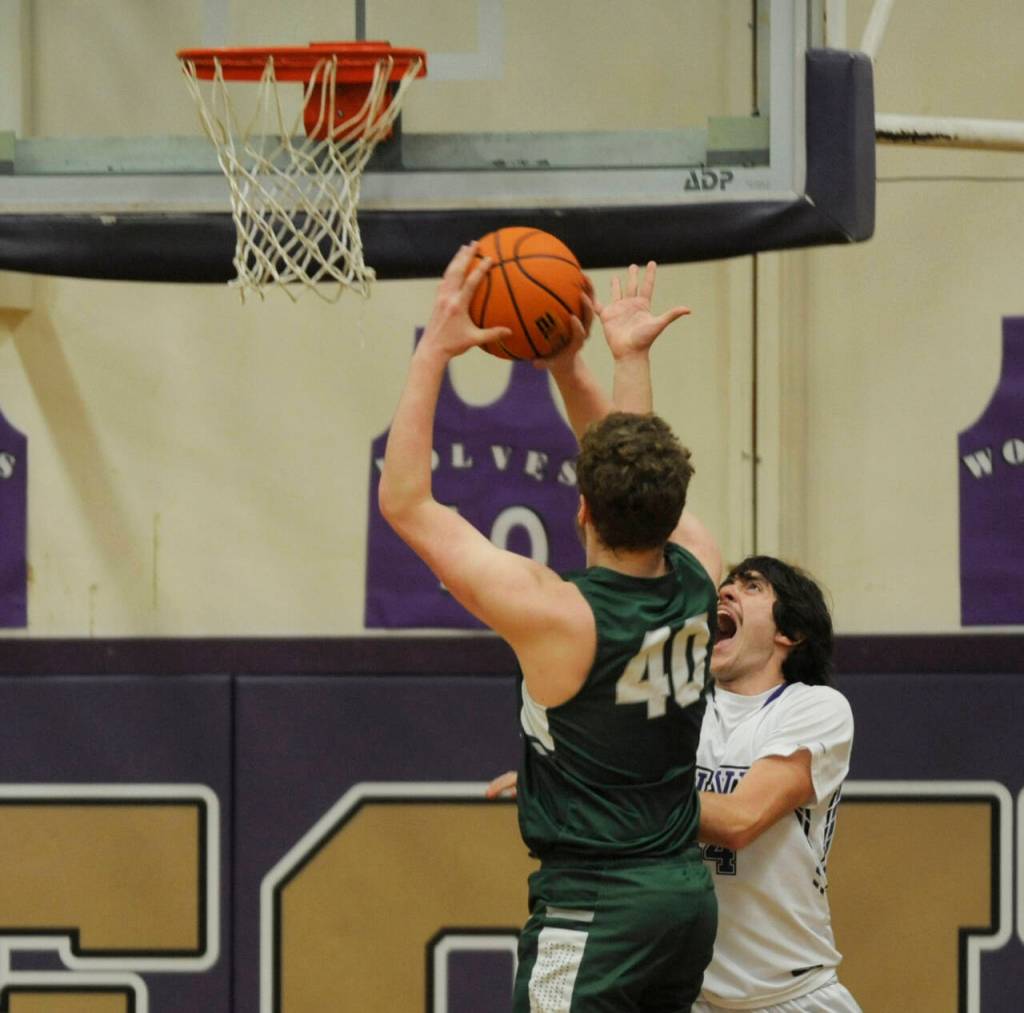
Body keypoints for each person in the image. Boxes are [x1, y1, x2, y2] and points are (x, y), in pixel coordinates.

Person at [489, 273, 860, 1012]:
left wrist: (594, 795)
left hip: (791, 997)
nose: (725, 590)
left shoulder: (816, 710)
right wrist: (578, 366)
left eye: (750, 587)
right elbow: (630, 493)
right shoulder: (677, 693)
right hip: (685, 988)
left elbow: (742, 819)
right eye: (729, 581)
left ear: (788, 632)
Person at [379, 245, 720, 1012]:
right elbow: (636, 463)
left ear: (582, 511)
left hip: (596, 905)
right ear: (672, 511)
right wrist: (600, 366)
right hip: (681, 900)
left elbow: (405, 501)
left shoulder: (559, 615)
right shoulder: (701, 572)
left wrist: (433, 347)